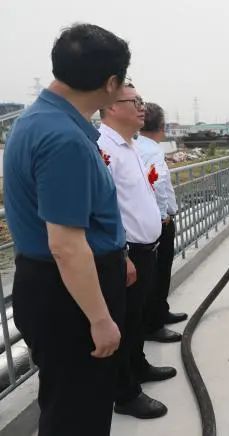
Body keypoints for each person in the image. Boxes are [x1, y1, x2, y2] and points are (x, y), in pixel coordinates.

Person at [3, 24, 131, 436]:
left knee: (67, 403)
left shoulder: (36, 120)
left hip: (54, 285)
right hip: (70, 296)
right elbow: (66, 246)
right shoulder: (64, 139)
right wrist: (100, 319)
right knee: (79, 412)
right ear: (110, 84)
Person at [98, 84, 174, 419]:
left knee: (138, 316)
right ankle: (125, 393)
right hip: (127, 252)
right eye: (136, 101)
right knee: (125, 322)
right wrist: (123, 255)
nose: (143, 107)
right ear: (112, 106)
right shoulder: (104, 148)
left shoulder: (129, 145)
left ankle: (138, 365)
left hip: (146, 248)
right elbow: (104, 209)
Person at [136, 103, 187, 341]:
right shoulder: (153, 151)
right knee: (159, 272)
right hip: (159, 221)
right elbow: (157, 184)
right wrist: (164, 214)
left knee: (156, 273)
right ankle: (154, 324)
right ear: (162, 126)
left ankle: (160, 311)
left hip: (148, 219)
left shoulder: (137, 146)